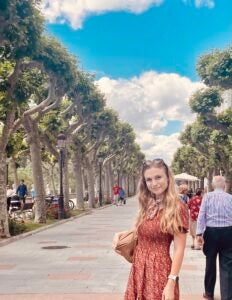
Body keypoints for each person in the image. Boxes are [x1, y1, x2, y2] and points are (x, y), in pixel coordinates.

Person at [114, 158, 189, 300]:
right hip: (138, 266)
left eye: (158, 177)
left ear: (168, 177)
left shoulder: (177, 207)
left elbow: (179, 248)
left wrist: (171, 282)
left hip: (159, 270)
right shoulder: (148, 203)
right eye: (149, 179)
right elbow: (144, 232)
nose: (154, 183)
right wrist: (122, 235)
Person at [196, 176, 232, 300]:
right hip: (228, 232)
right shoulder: (230, 198)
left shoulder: (207, 197)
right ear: (224, 185)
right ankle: (227, 296)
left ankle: (209, 293)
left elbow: (202, 215)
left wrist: (199, 233)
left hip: (211, 232)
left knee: (210, 262)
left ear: (212, 185)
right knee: (227, 265)